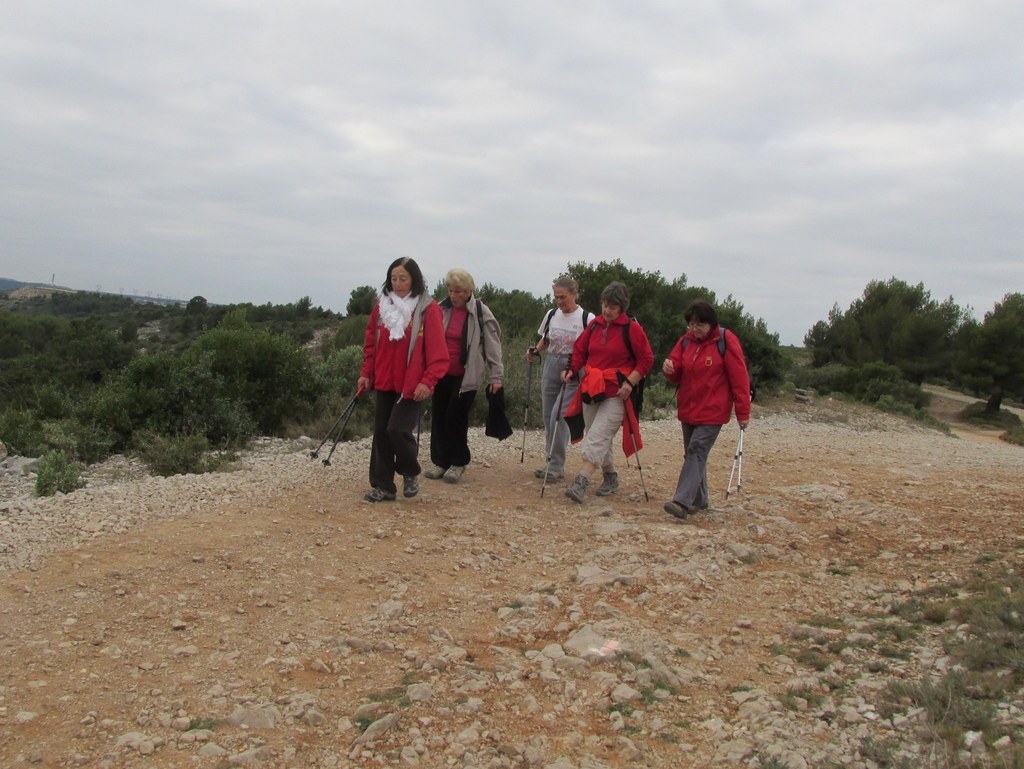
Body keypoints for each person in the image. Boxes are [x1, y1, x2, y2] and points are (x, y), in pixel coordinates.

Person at [357, 257, 448, 503]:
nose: (397, 283)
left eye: (403, 278)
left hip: (412, 385)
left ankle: (409, 470)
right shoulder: (381, 307)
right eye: (393, 278)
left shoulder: (428, 310)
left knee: (397, 430)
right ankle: (383, 486)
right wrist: (366, 373)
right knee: (381, 433)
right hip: (384, 380)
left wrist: (428, 382)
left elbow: (439, 353)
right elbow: (370, 343)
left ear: (414, 280)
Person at [561, 281, 654, 503]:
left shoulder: (632, 329)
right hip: (592, 389)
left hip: (617, 393)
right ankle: (611, 477)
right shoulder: (595, 326)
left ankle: (581, 480)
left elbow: (647, 359)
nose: (607, 310)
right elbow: (580, 351)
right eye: (605, 304)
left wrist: (630, 382)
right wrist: (571, 370)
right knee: (597, 434)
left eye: (612, 306)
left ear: (622, 306)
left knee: (597, 435)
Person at [661, 299, 751, 518]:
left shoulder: (725, 340)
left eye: (700, 324)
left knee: (696, 451)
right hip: (689, 408)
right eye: (691, 324)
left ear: (711, 323)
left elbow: (739, 377)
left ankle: (682, 501)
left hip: (713, 411)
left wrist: (743, 413)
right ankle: (700, 500)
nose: (695, 328)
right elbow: (675, 372)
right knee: (693, 454)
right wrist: (669, 369)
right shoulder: (686, 341)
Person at [424, 269, 504, 484]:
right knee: (439, 415)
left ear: (470, 291)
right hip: (441, 373)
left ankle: (458, 462)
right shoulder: (441, 310)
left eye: (458, 291)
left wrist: (496, 376)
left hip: (466, 375)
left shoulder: (481, 312)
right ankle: (440, 461)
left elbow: (493, 346)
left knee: (455, 416)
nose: (453, 295)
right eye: (450, 290)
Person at [526, 276, 593, 481]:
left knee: (559, 415)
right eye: (556, 297)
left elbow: (592, 348)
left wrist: (578, 369)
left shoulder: (587, 319)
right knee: (548, 415)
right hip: (551, 364)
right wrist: (535, 351)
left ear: (575, 294)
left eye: (563, 297)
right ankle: (551, 461)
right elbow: (546, 338)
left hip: (573, 369)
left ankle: (556, 465)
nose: (559, 301)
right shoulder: (551, 314)